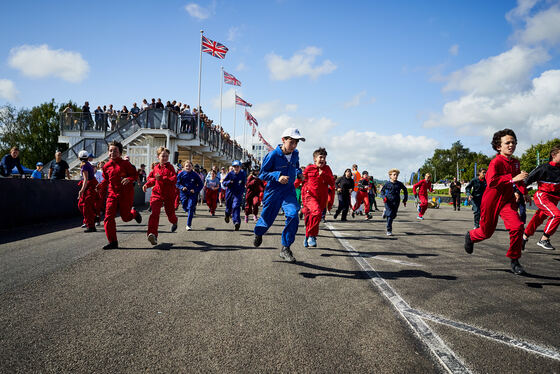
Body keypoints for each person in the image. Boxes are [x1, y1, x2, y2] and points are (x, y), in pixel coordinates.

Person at [464, 129, 528, 275]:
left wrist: (524, 192)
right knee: (486, 233)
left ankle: (515, 260)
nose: (511, 145)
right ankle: (471, 236)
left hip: (507, 201)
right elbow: (491, 182)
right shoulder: (496, 162)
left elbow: (518, 181)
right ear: (499, 147)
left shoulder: (516, 163)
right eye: (507, 143)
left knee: (517, 226)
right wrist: (512, 179)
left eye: (513, 142)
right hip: (491, 201)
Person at [253, 128, 305, 262]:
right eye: (291, 142)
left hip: (289, 191)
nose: (294, 146)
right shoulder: (272, 155)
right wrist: (278, 176)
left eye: (296, 143)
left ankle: (285, 248)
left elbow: (296, 166)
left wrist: (299, 172)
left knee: (293, 215)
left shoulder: (295, 154)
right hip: (273, 191)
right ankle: (259, 233)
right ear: (283, 140)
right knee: (266, 219)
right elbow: (262, 174)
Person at [97, 141, 142, 249]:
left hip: (126, 194)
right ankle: (113, 241)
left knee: (125, 218)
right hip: (112, 194)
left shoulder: (126, 164)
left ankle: (134, 213)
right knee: (108, 218)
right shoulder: (106, 166)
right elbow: (106, 180)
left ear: (120, 153)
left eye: (115, 150)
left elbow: (135, 175)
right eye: (111, 150)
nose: (113, 152)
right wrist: (100, 186)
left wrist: (129, 179)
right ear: (108, 153)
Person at [522, 143, 560, 251]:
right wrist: (520, 192)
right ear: (553, 154)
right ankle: (544, 239)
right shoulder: (543, 168)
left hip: (554, 199)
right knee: (556, 215)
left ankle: (524, 237)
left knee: (538, 218)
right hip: (542, 196)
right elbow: (526, 180)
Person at [142, 147, 178, 246]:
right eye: (163, 156)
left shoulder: (171, 168)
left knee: (170, 215)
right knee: (154, 213)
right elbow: (153, 180)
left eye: (166, 156)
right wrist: (146, 185)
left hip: (169, 195)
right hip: (156, 194)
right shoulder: (156, 168)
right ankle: (152, 234)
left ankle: (174, 221)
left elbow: (173, 180)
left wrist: (162, 178)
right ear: (158, 157)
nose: (165, 158)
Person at [302, 147, 335, 247]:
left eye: (324, 158)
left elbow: (332, 182)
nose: (322, 160)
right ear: (315, 159)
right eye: (320, 157)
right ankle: (312, 235)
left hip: (322, 197)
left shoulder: (327, 169)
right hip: (309, 196)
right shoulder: (309, 168)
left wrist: (324, 175)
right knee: (315, 213)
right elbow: (301, 179)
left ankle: (308, 236)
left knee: (316, 216)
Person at [380, 169, 408, 236]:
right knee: (389, 215)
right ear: (390, 176)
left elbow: (405, 190)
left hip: (396, 201)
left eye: (397, 175)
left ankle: (385, 212)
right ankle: (389, 230)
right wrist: (384, 197)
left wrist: (405, 199)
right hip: (388, 201)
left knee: (393, 215)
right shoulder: (387, 184)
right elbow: (382, 191)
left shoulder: (399, 184)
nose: (396, 176)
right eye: (394, 175)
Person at [176, 160, 203, 230]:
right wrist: (182, 187)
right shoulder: (181, 174)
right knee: (185, 207)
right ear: (184, 167)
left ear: (192, 167)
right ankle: (188, 210)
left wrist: (195, 190)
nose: (188, 167)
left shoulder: (195, 175)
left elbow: (201, 184)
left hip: (192, 193)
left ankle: (188, 225)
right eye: (186, 166)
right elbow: (177, 183)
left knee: (190, 208)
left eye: (189, 166)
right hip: (183, 194)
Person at [77, 150, 99, 233]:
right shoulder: (87, 164)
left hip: (90, 186)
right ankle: (93, 217)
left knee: (86, 206)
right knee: (82, 205)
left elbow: (86, 180)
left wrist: (81, 191)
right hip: (91, 185)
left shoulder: (85, 166)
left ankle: (91, 226)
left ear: (79, 158)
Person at [223, 160, 247, 231]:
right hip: (230, 193)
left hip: (238, 193)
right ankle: (227, 214)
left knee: (236, 207)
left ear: (240, 167)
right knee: (228, 206)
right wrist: (229, 182)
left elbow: (244, 183)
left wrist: (242, 191)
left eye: (238, 167)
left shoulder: (243, 174)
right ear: (232, 167)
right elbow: (224, 182)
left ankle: (236, 222)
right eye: (235, 167)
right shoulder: (230, 174)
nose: (236, 168)